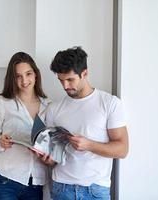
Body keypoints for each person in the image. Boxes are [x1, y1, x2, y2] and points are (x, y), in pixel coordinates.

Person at [43, 47, 129, 200]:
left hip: (95, 190)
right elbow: (53, 154)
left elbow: (122, 149)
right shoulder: (53, 109)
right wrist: (48, 159)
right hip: (61, 188)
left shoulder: (109, 103)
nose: (65, 86)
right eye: (61, 80)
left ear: (85, 73)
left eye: (70, 80)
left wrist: (89, 145)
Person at [0, 52, 51, 200]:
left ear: (35, 74)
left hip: (35, 184)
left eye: (28, 74)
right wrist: (0, 142)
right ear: (12, 79)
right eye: (18, 76)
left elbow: (49, 143)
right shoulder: (2, 103)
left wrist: (46, 152)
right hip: (6, 181)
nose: (24, 80)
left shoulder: (48, 105)